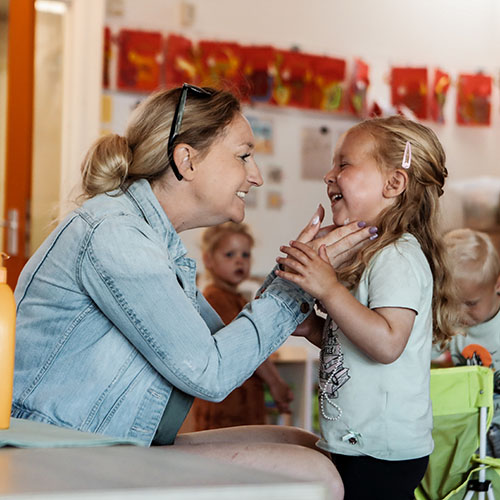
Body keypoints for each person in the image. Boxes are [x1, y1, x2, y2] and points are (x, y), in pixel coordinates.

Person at [12, 83, 375, 498]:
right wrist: (297, 283)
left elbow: (216, 344)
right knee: (315, 474)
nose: (255, 176)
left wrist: (301, 271)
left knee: (302, 442)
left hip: (114, 437)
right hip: (64, 453)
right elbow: (210, 372)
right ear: (186, 160)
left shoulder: (153, 240)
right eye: (243, 156)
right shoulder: (115, 235)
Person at [275, 115, 460, 499]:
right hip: (355, 445)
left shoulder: (398, 255)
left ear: (394, 183)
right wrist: (316, 330)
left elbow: (388, 342)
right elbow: (360, 337)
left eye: (343, 163)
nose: (329, 175)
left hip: (380, 453)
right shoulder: (374, 255)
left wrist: (327, 289)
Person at [186, 221, 293, 431]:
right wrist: (275, 383)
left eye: (245, 255)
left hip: (241, 403)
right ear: (208, 259)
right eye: (229, 255)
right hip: (228, 409)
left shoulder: (234, 298)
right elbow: (244, 344)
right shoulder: (215, 298)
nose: (239, 261)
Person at [444, 228, 500, 457]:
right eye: (448, 301)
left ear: (497, 285)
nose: (458, 313)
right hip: (467, 423)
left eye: (470, 303)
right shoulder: (448, 323)